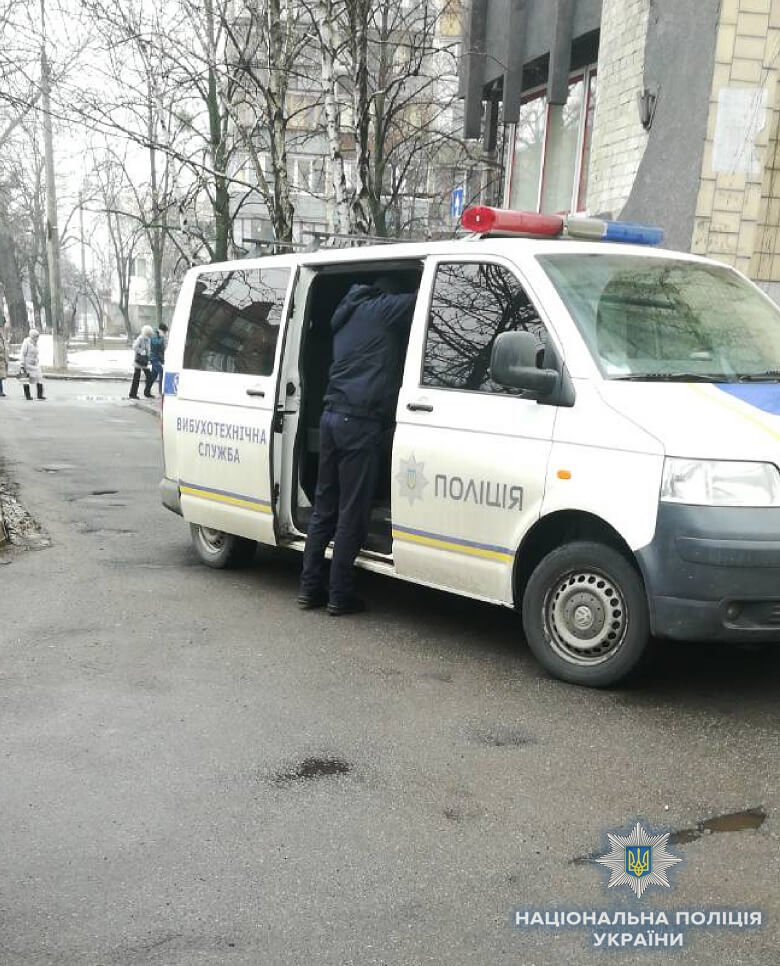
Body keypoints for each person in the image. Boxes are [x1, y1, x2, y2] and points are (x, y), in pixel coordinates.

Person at [298, 275, 416, 616]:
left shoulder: (346, 313)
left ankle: (309, 588)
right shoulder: (382, 309)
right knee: (352, 511)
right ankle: (340, 595)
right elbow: (424, 297)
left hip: (331, 417)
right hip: (359, 423)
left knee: (324, 507)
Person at [129, 325, 154, 399]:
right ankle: (132, 394)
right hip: (138, 361)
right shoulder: (140, 338)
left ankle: (147, 392)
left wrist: (149, 358)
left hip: (145, 361)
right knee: (136, 378)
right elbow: (134, 347)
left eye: (150, 335)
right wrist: (141, 351)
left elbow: (148, 350)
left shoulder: (148, 340)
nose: (149, 336)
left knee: (149, 377)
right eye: (148, 334)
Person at [20, 329, 45, 400]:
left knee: (39, 378)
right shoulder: (26, 343)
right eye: (36, 336)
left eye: (38, 336)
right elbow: (23, 354)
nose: (37, 338)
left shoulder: (36, 344)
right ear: (32, 336)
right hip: (26, 364)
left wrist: (37, 360)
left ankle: (40, 395)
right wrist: (22, 363)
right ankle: (27, 395)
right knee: (25, 380)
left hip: (35, 364)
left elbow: (36, 353)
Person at [147, 322, 168, 396]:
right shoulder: (155, 334)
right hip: (154, 358)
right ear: (161, 330)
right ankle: (160, 391)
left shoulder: (159, 335)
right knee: (161, 372)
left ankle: (147, 391)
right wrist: (163, 338)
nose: (164, 334)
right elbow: (155, 343)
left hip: (157, 358)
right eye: (164, 332)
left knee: (153, 376)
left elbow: (161, 348)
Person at [0, 320, 9, 397]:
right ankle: (1, 391)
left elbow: (5, 348)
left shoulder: (2, 338)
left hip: (2, 360)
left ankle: (1, 391)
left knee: (1, 376)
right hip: (1, 358)